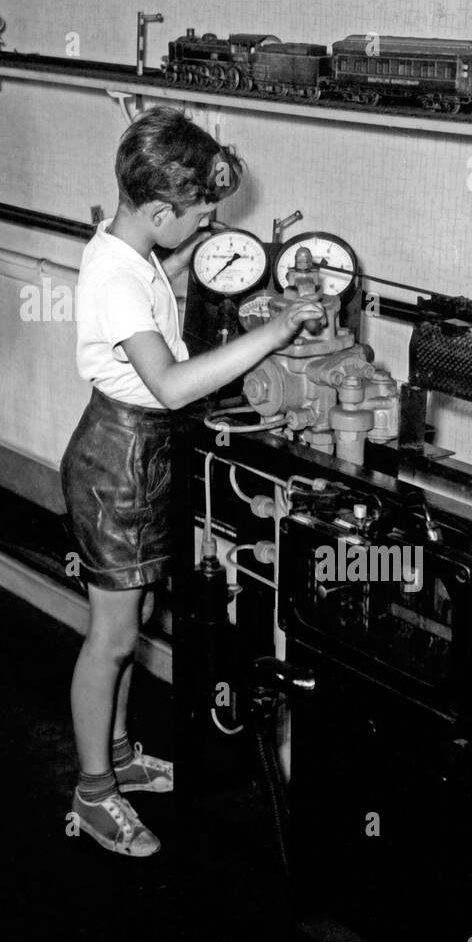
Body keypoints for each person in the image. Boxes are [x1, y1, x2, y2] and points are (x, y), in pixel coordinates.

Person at [61, 107, 324, 856]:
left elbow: (156, 294)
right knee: (109, 641)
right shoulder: (115, 276)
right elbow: (172, 385)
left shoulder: (131, 248)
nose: (209, 223)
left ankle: (114, 758)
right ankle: (92, 794)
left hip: (133, 451)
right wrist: (274, 333)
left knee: (129, 622)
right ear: (157, 210)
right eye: (200, 214)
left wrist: (189, 262)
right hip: (119, 464)